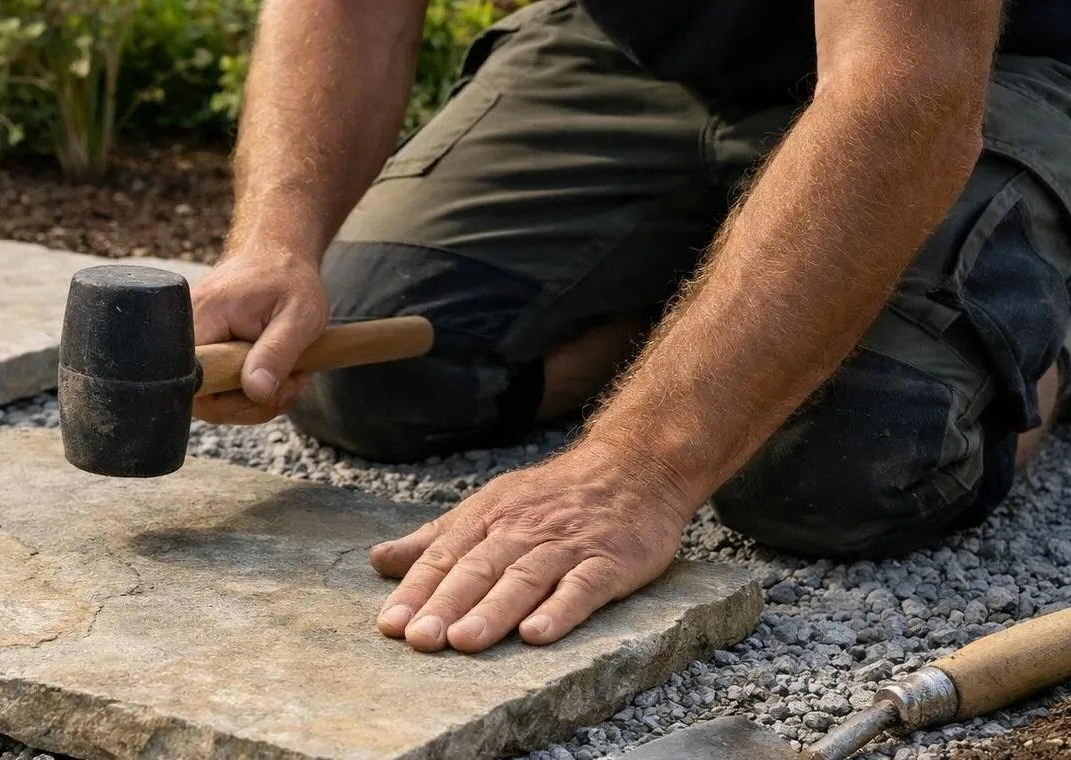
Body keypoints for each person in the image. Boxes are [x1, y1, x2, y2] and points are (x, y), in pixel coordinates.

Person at [188, 0, 1071, 655]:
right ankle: (738, 281)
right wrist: (275, 240)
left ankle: (1036, 312)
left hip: (990, 60)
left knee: (847, 460)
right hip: (641, 54)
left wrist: (636, 467)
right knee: (360, 366)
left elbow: (907, 83)